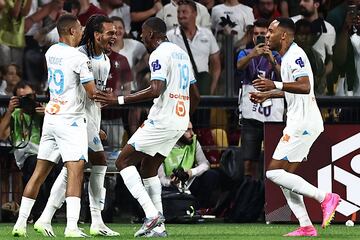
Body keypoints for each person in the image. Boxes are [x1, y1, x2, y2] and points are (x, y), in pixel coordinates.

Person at [95, 17, 200, 237]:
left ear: (151, 34)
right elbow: (196, 95)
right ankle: (159, 227)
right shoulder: (181, 54)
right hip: (178, 122)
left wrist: (119, 100)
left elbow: (155, 89)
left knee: (123, 161)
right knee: (149, 169)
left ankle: (151, 215)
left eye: (143, 32)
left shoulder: (159, 54)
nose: (141, 36)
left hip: (162, 120)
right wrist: (184, 118)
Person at [249, 17, 340, 237]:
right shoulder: (287, 56)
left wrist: (274, 84)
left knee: (273, 172)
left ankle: (325, 198)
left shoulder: (296, 55)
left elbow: (305, 86)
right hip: (300, 121)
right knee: (284, 178)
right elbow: (294, 89)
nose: (266, 35)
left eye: (270, 31)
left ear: (283, 35)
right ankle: (306, 225)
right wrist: (270, 93)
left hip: (303, 123)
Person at [33, 15, 120, 237]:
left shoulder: (106, 61)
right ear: (96, 34)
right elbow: (82, 93)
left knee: (77, 167)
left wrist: (101, 110)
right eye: (110, 33)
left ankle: (49, 217)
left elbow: (95, 98)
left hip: (89, 117)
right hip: (75, 118)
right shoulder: (78, 54)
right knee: (89, 164)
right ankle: (91, 220)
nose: (115, 36)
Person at [12, 14, 97, 237]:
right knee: (75, 171)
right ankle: (71, 227)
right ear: (71, 31)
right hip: (71, 120)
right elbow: (92, 93)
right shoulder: (79, 58)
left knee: (39, 173)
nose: (81, 32)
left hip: (52, 117)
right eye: (79, 29)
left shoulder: (51, 52)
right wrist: (108, 95)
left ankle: (20, 224)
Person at [0, 81, 62, 221]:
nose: (27, 100)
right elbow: (2, 135)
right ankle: (38, 213)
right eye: (22, 98)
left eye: (29, 96)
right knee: (34, 165)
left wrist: (47, 116)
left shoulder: (46, 109)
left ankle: (50, 211)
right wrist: (9, 111)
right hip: (27, 156)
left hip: (48, 153)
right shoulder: (15, 114)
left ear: (36, 95)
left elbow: (60, 132)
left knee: (60, 167)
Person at [236, 18, 284, 178]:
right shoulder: (245, 52)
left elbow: (284, 76)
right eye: (256, 34)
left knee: (272, 160)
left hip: (272, 116)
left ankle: (268, 195)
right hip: (251, 115)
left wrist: (271, 59)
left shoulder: (277, 54)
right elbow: (239, 66)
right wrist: (252, 55)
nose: (259, 37)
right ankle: (251, 195)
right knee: (249, 162)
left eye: (262, 34)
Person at [158, 121, 219, 209]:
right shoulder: (161, 146)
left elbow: (205, 164)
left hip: (189, 182)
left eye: (192, 129)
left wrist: (191, 172)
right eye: (188, 130)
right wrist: (171, 182)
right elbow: (160, 178)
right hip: (169, 187)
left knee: (211, 175)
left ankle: (198, 209)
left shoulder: (193, 141)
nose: (192, 133)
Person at [167, 0, 220, 95]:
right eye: (178, 12)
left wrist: (211, 90)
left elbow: (216, 65)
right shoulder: (170, 36)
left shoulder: (207, 34)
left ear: (195, 14)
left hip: (202, 90)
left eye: (184, 12)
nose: (180, 16)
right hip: (178, 90)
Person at [291, 0, 336, 95]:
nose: (301, 3)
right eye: (300, 0)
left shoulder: (328, 29)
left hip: (319, 85)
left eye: (306, 0)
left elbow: (331, 60)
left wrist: (320, 77)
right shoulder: (290, 23)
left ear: (316, 4)